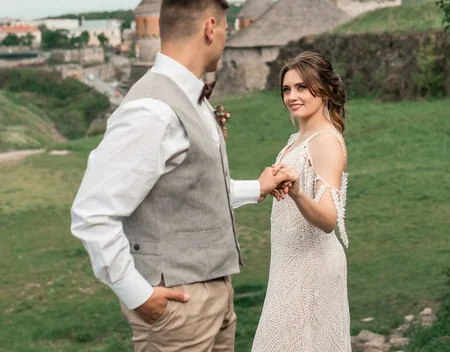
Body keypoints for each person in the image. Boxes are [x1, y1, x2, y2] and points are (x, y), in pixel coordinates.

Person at [70, 1, 292, 350]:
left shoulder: (193, 100)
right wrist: (138, 294)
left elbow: (190, 190)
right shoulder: (153, 110)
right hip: (177, 307)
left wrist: (258, 187)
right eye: (225, 29)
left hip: (215, 297)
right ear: (209, 28)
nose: (226, 38)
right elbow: (92, 213)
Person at [251, 51, 351, 352]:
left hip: (312, 266)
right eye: (287, 88)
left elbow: (328, 219)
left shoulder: (325, 140)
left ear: (325, 90)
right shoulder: (297, 139)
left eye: (302, 87)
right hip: (288, 262)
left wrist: (296, 192)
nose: (292, 96)